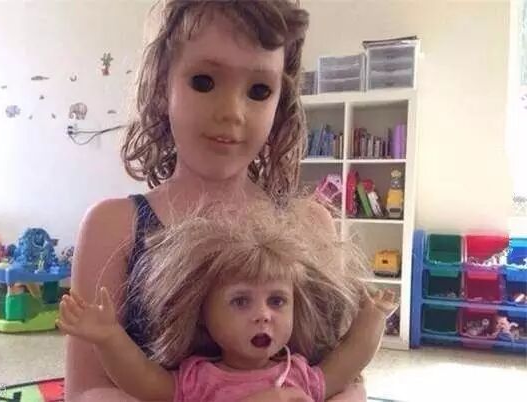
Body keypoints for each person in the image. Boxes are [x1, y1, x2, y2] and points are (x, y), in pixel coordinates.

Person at [65, 1, 387, 400]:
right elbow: (88, 392)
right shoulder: (114, 226)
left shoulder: (311, 223)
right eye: (204, 81)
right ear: (162, 85)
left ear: (281, 102)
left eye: (259, 90)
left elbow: (345, 377)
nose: (232, 112)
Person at [60, 200, 396, 401]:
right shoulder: (200, 380)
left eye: (277, 301)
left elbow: (348, 361)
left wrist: (373, 317)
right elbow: (142, 380)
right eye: (240, 302)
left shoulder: (299, 373)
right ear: (204, 315)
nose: (263, 315)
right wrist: (109, 338)